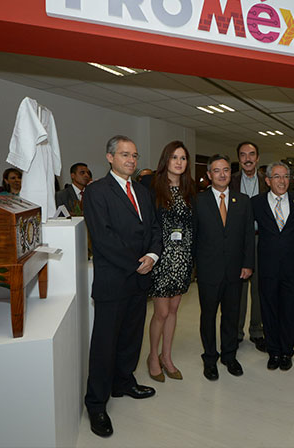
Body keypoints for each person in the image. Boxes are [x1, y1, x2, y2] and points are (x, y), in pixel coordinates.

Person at [82, 135, 162, 438]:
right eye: (125, 154)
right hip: (114, 280)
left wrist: (152, 256)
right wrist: (135, 263)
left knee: (131, 336)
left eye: (135, 155)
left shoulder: (142, 191)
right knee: (105, 344)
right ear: (110, 157)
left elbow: (154, 228)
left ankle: (123, 382)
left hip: (140, 278)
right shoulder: (96, 192)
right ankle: (96, 403)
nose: (131, 160)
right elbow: (103, 238)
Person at [195, 154, 255, 381]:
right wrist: (195, 268)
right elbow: (194, 237)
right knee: (208, 316)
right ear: (209, 174)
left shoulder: (243, 200)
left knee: (231, 315)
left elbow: (248, 235)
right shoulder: (198, 201)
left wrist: (248, 264)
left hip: (235, 270)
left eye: (226, 170)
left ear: (231, 173)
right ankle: (210, 358)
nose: (222, 174)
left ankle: (229, 356)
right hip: (208, 270)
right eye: (217, 170)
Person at [145, 141, 196, 383]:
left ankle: (166, 356)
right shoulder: (152, 187)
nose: (179, 162)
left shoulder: (190, 190)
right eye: (174, 157)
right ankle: (152, 357)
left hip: (183, 258)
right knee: (161, 312)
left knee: (174, 310)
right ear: (166, 159)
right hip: (162, 258)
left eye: (183, 158)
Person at [251, 162, 294, 371]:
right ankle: (273, 351)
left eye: (285, 176)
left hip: (292, 266)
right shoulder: (256, 203)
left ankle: (287, 352)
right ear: (267, 180)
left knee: (291, 309)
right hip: (267, 266)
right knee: (269, 308)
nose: (282, 181)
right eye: (277, 177)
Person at [229, 141, 267, 352]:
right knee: (239, 289)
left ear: (257, 157)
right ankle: (236, 332)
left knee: (259, 289)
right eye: (243, 155)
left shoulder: (267, 181)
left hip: (262, 240)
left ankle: (257, 331)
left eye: (251, 154)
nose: (248, 158)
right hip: (239, 242)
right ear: (239, 158)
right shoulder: (230, 180)